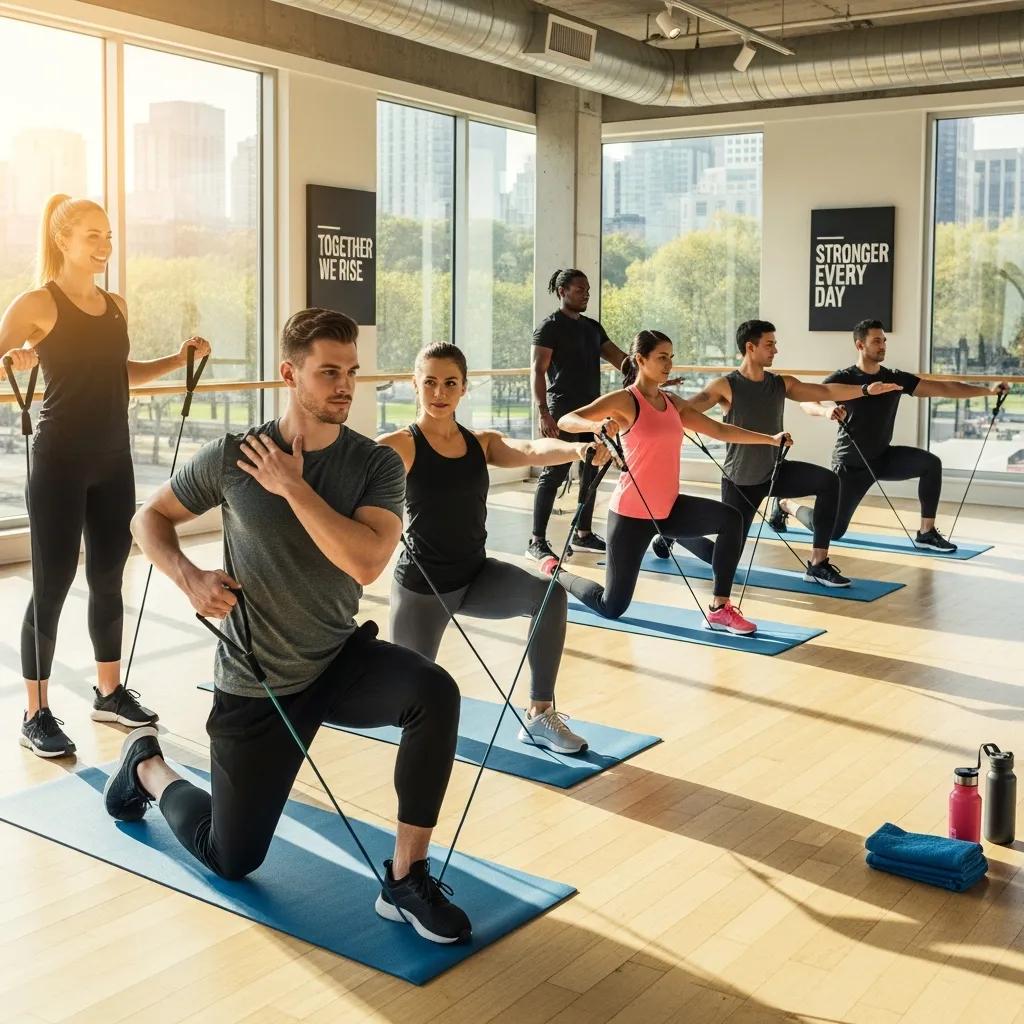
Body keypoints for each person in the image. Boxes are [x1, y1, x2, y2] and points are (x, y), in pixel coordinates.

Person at [109, 308, 471, 945]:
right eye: (328, 371)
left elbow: (366, 561)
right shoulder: (234, 456)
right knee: (231, 857)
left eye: (351, 371)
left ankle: (406, 878)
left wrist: (293, 488)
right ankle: (147, 767)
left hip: (338, 660)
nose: (344, 385)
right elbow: (149, 519)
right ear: (289, 374)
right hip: (258, 681)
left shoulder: (376, 465)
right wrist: (188, 576)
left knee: (434, 692)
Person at [0, 194, 211, 758]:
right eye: (93, 235)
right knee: (51, 584)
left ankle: (109, 693)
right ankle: (35, 713)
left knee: (110, 577)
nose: (105, 245)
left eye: (109, 235)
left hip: (114, 461)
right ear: (63, 240)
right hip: (59, 462)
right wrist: (14, 360)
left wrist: (177, 360)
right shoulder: (37, 303)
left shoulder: (115, 305)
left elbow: (119, 371)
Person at [378, 342, 609, 755]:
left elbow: (531, 450)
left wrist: (578, 449)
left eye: (450, 383)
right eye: (429, 382)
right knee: (408, 701)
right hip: (422, 590)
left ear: (464, 388)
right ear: (415, 384)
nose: (439, 392)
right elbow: (352, 468)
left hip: (475, 576)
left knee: (550, 596)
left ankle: (539, 714)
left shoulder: (479, 443)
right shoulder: (401, 444)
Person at [541, 330, 790, 636]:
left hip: (669, 509)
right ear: (640, 360)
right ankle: (555, 571)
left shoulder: (672, 402)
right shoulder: (625, 400)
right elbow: (566, 419)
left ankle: (719, 609)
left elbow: (719, 430)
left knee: (731, 519)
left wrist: (770, 439)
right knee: (612, 606)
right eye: (661, 357)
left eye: (671, 357)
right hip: (631, 516)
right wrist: (596, 426)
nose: (669, 364)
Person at [665, 319, 901, 587]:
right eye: (770, 345)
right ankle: (674, 535)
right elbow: (689, 409)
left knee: (828, 482)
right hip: (741, 482)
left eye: (775, 344)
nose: (775, 350)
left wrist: (865, 390)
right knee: (724, 557)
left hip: (775, 473)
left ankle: (817, 564)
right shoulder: (726, 385)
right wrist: (659, 398)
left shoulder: (780, 383)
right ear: (750, 347)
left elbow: (823, 390)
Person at [780, 319, 1010, 551]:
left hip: (883, 457)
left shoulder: (895, 378)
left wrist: (988, 391)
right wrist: (826, 411)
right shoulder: (844, 378)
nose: (883, 346)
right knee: (834, 531)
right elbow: (807, 401)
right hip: (852, 464)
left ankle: (926, 532)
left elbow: (943, 388)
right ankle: (786, 505)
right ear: (860, 345)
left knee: (930, 464)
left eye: (884, 341)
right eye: (876, 341)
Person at [527, 268, 626, 563]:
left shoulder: (593, 328)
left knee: (590, 470)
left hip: (592, 411)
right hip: (561, 410)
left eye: (588, 290)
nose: (586, 295)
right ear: (563, 291)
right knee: (554, 473)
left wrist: (649, 373)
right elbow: (538, 371)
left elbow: (620, 359)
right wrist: (543, 412)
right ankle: (536, 541)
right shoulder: (549, 327)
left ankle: (583, 534)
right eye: (580, 289)